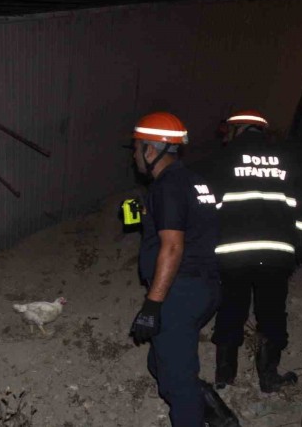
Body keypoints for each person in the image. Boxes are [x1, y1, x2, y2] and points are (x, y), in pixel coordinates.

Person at [128, 112, 239, 426]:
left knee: (178, 383)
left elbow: (173, 247)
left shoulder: (168, 186)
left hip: (180, 291)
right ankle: (211, 407)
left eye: (136, 149)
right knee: (160, 363)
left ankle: (202, 410)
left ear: (151, 150)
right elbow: (197, 226)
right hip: (206, 286)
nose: (134, 156)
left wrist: (152, 305)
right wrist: (149, 215)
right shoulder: (195, 181)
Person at [206, 110, 302, 393]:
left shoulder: (223, 159)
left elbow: (207, 203)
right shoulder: (286, 158)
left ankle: (224, 375)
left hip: (233, 252)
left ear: (238, 129)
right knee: (272, 312)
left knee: (231, 308)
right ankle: (269, 376)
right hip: (275, 253)